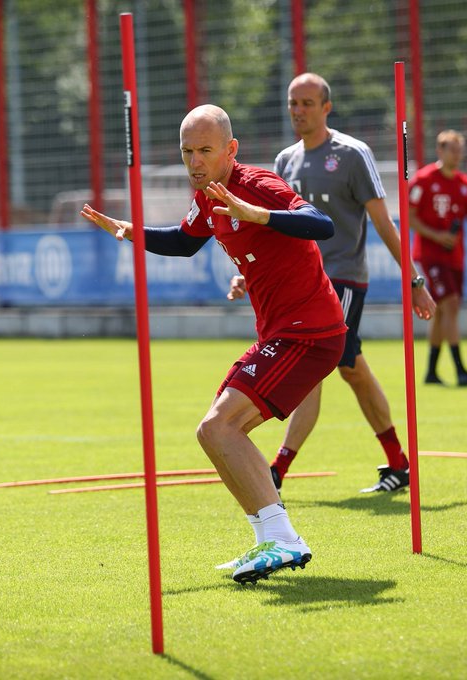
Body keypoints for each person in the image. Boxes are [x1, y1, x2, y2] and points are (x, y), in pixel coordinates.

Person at [80, 104, 347, 584]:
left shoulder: (257, 184)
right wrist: (131, 231)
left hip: (308, 333)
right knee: (214, 433)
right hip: (283, 333)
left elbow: (320, 223)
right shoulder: (206, 197)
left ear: (231, 149)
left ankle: (283, 539)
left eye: (205, 150)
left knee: (219, 427)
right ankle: (270, 539)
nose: (195, 161)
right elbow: (184, 242)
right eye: (187, 151)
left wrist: (258, 215)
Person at [228, 72, 436, 494]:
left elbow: (384, 223)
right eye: (293, 103)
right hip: (301, 282)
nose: (298, 110)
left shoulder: (352, 154)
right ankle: (398, 463)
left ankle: (277, 470)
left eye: (307, 103)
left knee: (314, 366)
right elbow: (275, 231)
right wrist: (248, 274)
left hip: (342, 279)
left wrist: (414, 280)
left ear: (327, 107)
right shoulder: (285, 161)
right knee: (351, 368)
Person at [409, 129, 467, 386]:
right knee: (450, 305)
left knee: (441, 311)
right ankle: (460, 370)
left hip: (454, 257)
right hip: (430, 256)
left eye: (460, 150)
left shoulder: (465, 184)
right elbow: (410, 217)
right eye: (453, 150)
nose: (457, 155)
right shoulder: (423, 180)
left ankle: (431, 372)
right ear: (440, 151)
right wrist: (437, 236)